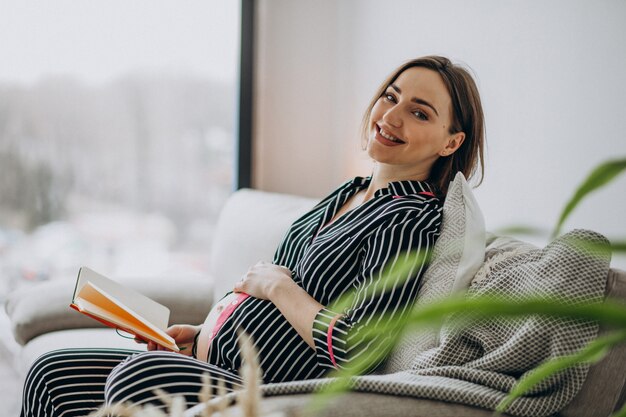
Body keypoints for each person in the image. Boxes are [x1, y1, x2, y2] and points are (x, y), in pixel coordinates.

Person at [20, 55, 485, 417]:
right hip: (216, 363)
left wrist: (280, 288)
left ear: (451, 142)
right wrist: (203, 333)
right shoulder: (351, 191)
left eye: (420, 112)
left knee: (138, 378)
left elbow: (359, 348)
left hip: (268, 390)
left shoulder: (409, 219)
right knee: (50, 372)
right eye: (391, 95)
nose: (392, 114)